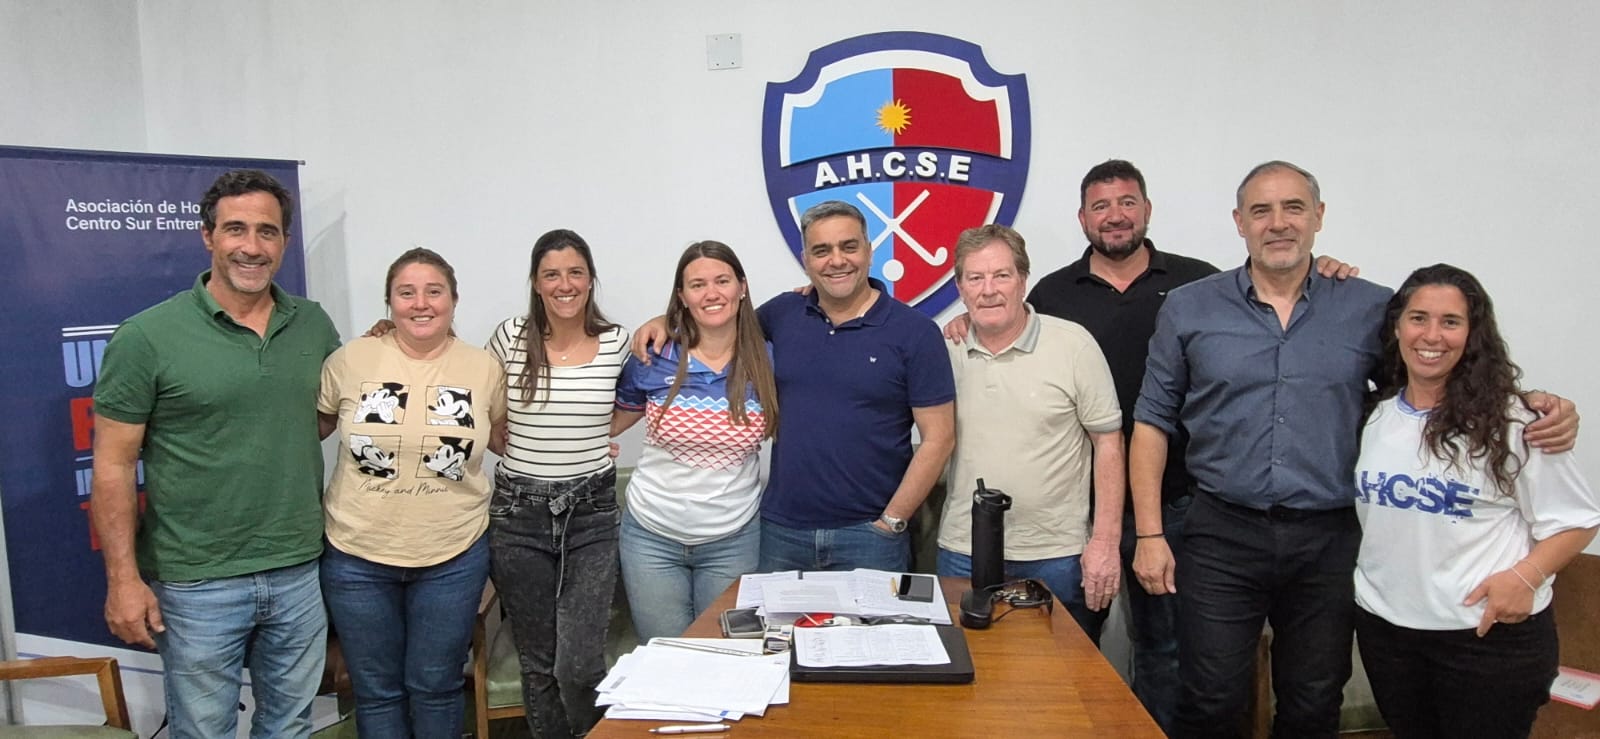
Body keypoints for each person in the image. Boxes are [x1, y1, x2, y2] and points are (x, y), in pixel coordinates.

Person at [1130, 161, 1579, 738]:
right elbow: (1152, 419)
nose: (1278, 223)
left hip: (1331, 537)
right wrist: (1150, 535)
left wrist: (1530, 402)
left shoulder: (1369, 307)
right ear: (1239, 222)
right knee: (1210, 696)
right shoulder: (1190, 307)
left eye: (1294, 207)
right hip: (1221, 532)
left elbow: (1435, 375)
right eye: (1261, 210)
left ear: (1318, 217)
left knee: (1315, 699)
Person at [89, 169, 340, 738]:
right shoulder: (147, 336)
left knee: (291, 725)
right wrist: (123, 580)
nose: (252, 246)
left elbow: (323, 416)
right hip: (196, 582)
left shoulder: (313, 323)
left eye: (267, 232)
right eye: (236, 229)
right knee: (204, 730)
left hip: (298, 568)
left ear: (284, 241)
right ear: (208, 236)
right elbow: (113, 464)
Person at [634, 200, 954, 573]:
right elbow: (717, 324)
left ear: (869, 251)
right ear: (806, 260)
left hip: (871, 536)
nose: (837, 260)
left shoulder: (915, 333)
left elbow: (940, 438)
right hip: (780, 533)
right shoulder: (782, 314)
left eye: (849, 246)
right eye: (822, 250)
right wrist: (664, 321)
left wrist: (892, 521)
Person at [1353, 264, 1600, 738]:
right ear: (1397, 327)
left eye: (1450, 322)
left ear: (1473, 334)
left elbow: (1577, 520)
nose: (1432, 336)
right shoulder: (1375, 416)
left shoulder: (1513, 421)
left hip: (1485, 638)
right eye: (1418, 318)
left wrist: (1524, 578)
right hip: (1388, 634)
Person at [317, 248, 507, 737]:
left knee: (437, 686)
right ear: (389, 303)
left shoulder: (484, 368)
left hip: (453, 555)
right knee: (376, 691)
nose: (420, 303)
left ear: (454, 299)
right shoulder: (350, 360)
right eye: (406, 292)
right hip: (357, 555)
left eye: (433, 291)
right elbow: (309, 429)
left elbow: (507, 438)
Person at [935, 224, 1125, 638]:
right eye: (975, 278)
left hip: (1056, 556)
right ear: (960, 288)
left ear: (1023, 279)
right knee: (969, 671)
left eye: (1001, 275)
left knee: (1065, 674)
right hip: (963, 551)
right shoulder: (943, 351)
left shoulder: (1073, 346)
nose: (989, 290)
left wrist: (1105, 543)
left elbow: (1109, 443)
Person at [486, 228, 628, 739]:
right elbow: (470, 391)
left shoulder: (617, 341)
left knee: (580, 663)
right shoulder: (509, 336)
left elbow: (647, 391)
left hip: (590, 514)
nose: (564, 285)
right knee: (539, 664)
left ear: (590, 279)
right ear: (535, 282)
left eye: (575, 273)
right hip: (517, 515)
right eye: (552, 274)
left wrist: (597, 435)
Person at [612, 241, 778, 642]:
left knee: (724, 655)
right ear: (682, 296)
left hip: (733, 539)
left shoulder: (769, 359)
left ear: (742, 287)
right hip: (651, 537)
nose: (711, 293)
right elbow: (609, 423)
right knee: (664, 657)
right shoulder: (653, 355)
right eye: (698, 285)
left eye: (722, 281)